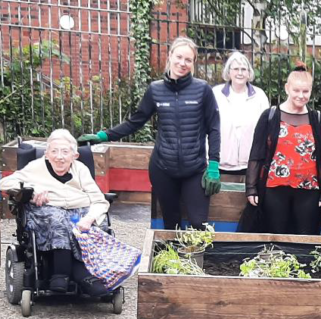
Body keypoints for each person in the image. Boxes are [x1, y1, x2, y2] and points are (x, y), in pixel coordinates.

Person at [79, 36, 220, 230]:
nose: (182, 63)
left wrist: (213, 164)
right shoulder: (156, 90)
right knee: (171, 224)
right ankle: (174, 260)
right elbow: (134, 122)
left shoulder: (202, 89)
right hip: (163, 168)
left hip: (194, 169)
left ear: (193, 62)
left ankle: (196, 260)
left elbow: (214, 128)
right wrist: (103, 136)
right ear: (170, 56)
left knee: (198, 223)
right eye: (179, 57)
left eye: (188, 59)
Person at [0, 129, 109, 296]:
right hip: (47, 213)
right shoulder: (36, 168)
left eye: (65, 152)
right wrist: (32, 190)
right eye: (54, 151)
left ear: (74, 155)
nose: (59, 157)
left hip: (79, 211)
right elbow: (5, 183)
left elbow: (99, 200)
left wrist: (89, 218)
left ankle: (70, 275)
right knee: (58, 219)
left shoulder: (81, 170)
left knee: (88, 224)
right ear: (47, 154)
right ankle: (68, 274)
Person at [244, 65, 321, 235]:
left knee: (305, 237)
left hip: (308, 190)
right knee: (276, 235)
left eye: (305, 91)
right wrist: (251, 188)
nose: (301, 96)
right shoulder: (269, 116)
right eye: (296, 90)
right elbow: (257, 153)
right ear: (287, 88)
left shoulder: (317, 119)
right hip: (275, 189)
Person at [213, 51, 270, 177]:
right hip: (221, 163)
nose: (240, 73)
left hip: (250, 164)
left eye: (244, 69)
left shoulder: (259, 96)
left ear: (249, 73)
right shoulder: (216, 94)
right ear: (229, 72)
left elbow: (267, 128)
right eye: (236, 69)